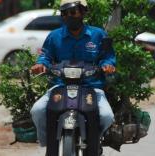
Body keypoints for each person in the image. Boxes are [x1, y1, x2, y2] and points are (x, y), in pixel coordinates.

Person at [30, 0, 116, 147]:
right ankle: (48, 143)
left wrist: (108, 65)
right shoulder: (54, 36)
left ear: (83, 12)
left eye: (73, 12)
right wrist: (40, 64)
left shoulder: (98, 35)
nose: (69, 16)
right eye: (65, 13)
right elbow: (46, 56)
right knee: (37, 111)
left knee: (107, 116)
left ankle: (96, 141)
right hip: (60, 86)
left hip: (91, 87)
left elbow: (107, 56)